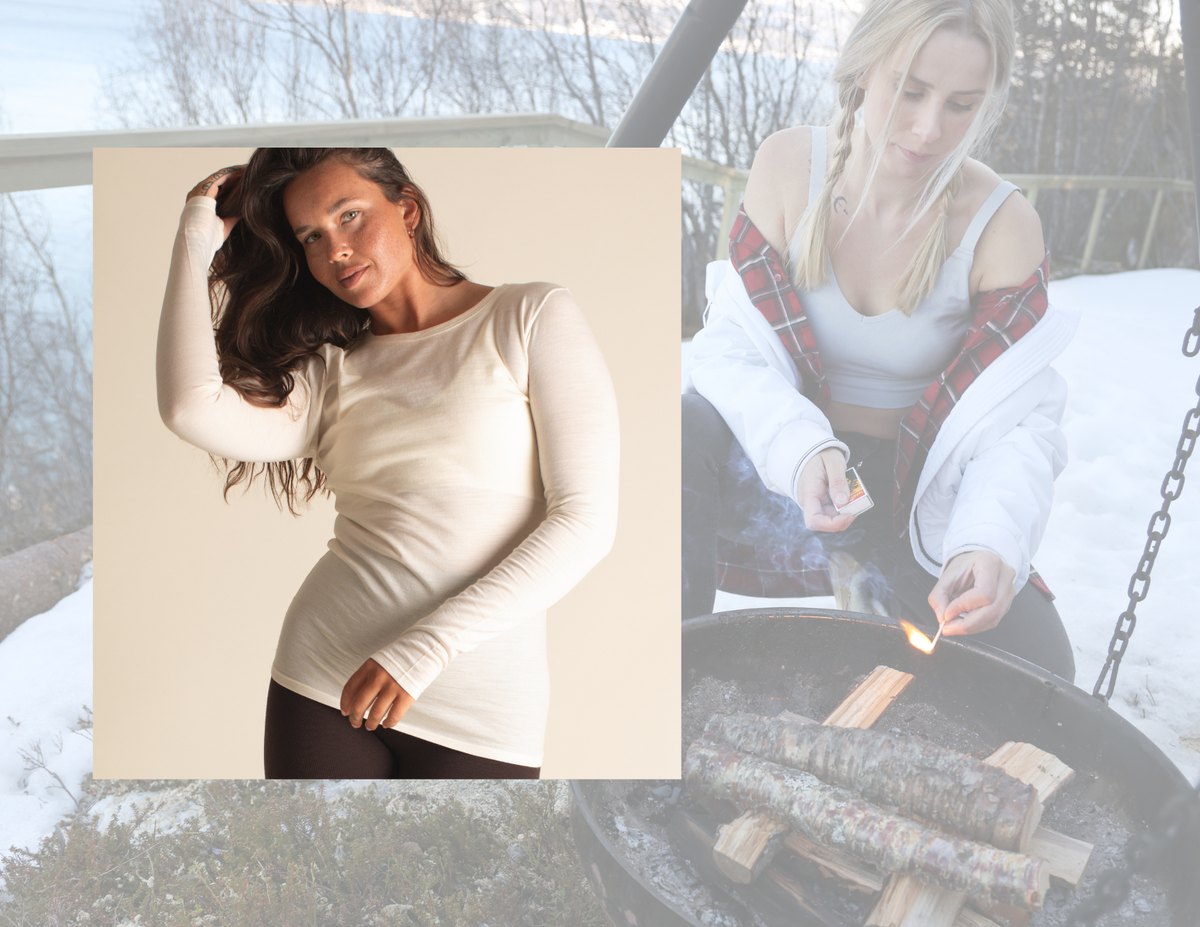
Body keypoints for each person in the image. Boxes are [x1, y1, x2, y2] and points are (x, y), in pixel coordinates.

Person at [157, 148, 619, 778]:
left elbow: (585, 521)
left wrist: (423, 650)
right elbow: (191, 408)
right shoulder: (330, 369)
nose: (335, 250)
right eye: (311, 237)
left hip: (480, 707)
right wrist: (195, 238)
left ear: (407, 209)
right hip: (325, 676)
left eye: (349, 216)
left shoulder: (528, 316)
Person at [682, 0, 1078, 682]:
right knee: (675, 431)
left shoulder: (1003, 225)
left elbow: (1019, 427)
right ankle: (659, 690)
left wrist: (986, 539)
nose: (928, 130)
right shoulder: (787, 167)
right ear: (865, 68)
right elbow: (729, 350)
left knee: (1043, 671)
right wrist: (803, 448)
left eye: (960, 104)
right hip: (776, 466)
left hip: (901, 499)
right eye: (910, 90)